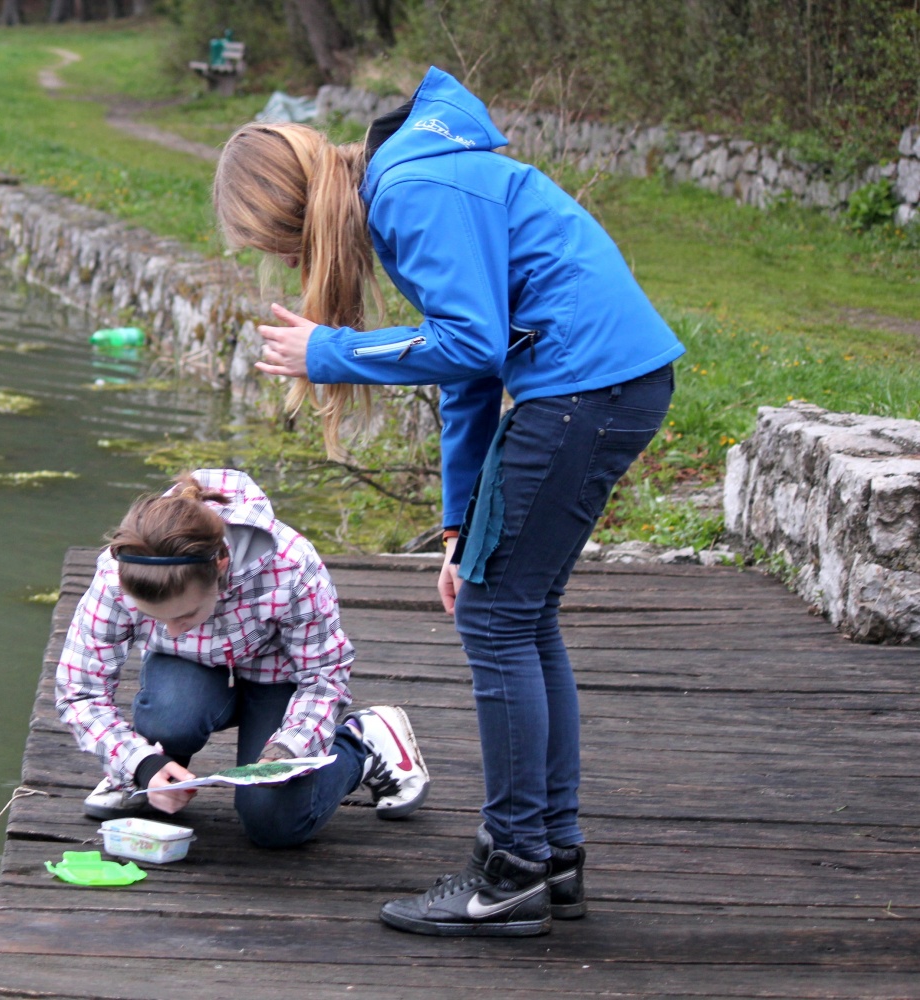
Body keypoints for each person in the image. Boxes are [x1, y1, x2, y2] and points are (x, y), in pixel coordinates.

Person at [213, 67, 684, 935]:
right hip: (598, 382)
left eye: (276, 246)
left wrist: (334, 352)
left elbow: (467, 339)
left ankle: (508, 872)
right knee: (521, 615)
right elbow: (471, 371)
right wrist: (461, 522)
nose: (285, 263)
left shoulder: (409, 191)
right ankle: (550, 855)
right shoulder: (409, 180)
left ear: (292, 213)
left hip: (583, 385)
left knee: (500, 623)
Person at [55, 468, 429, 849]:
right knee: (170, 715)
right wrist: (138, 762)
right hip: (189, 667)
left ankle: (361, 743)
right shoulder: (117, 576)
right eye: (154, 617)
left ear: (220, 567)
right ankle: (154, 774)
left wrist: (288, 749)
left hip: (278, 674)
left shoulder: (292, 566)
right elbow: (79, 692)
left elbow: (323, 678)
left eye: (184, 615)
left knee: (275, 824)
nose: (170, 631)